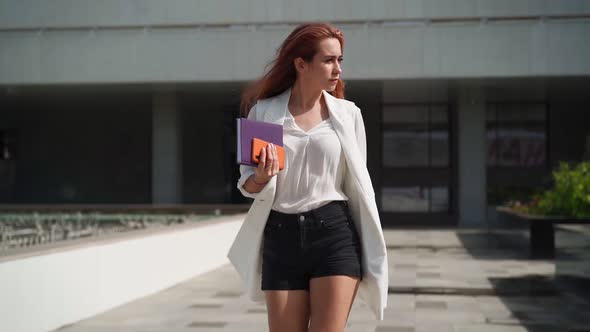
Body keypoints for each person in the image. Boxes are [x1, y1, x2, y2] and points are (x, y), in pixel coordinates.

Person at [227, 22, 388, 332]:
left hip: (335, 234)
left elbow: (357, 184)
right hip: (280, 236)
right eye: (328, 60)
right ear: (301, 64)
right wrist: (261, 176)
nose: (337, 68)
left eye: (340, 60)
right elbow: (247, 185)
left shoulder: (349, 114)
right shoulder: (264, 113)